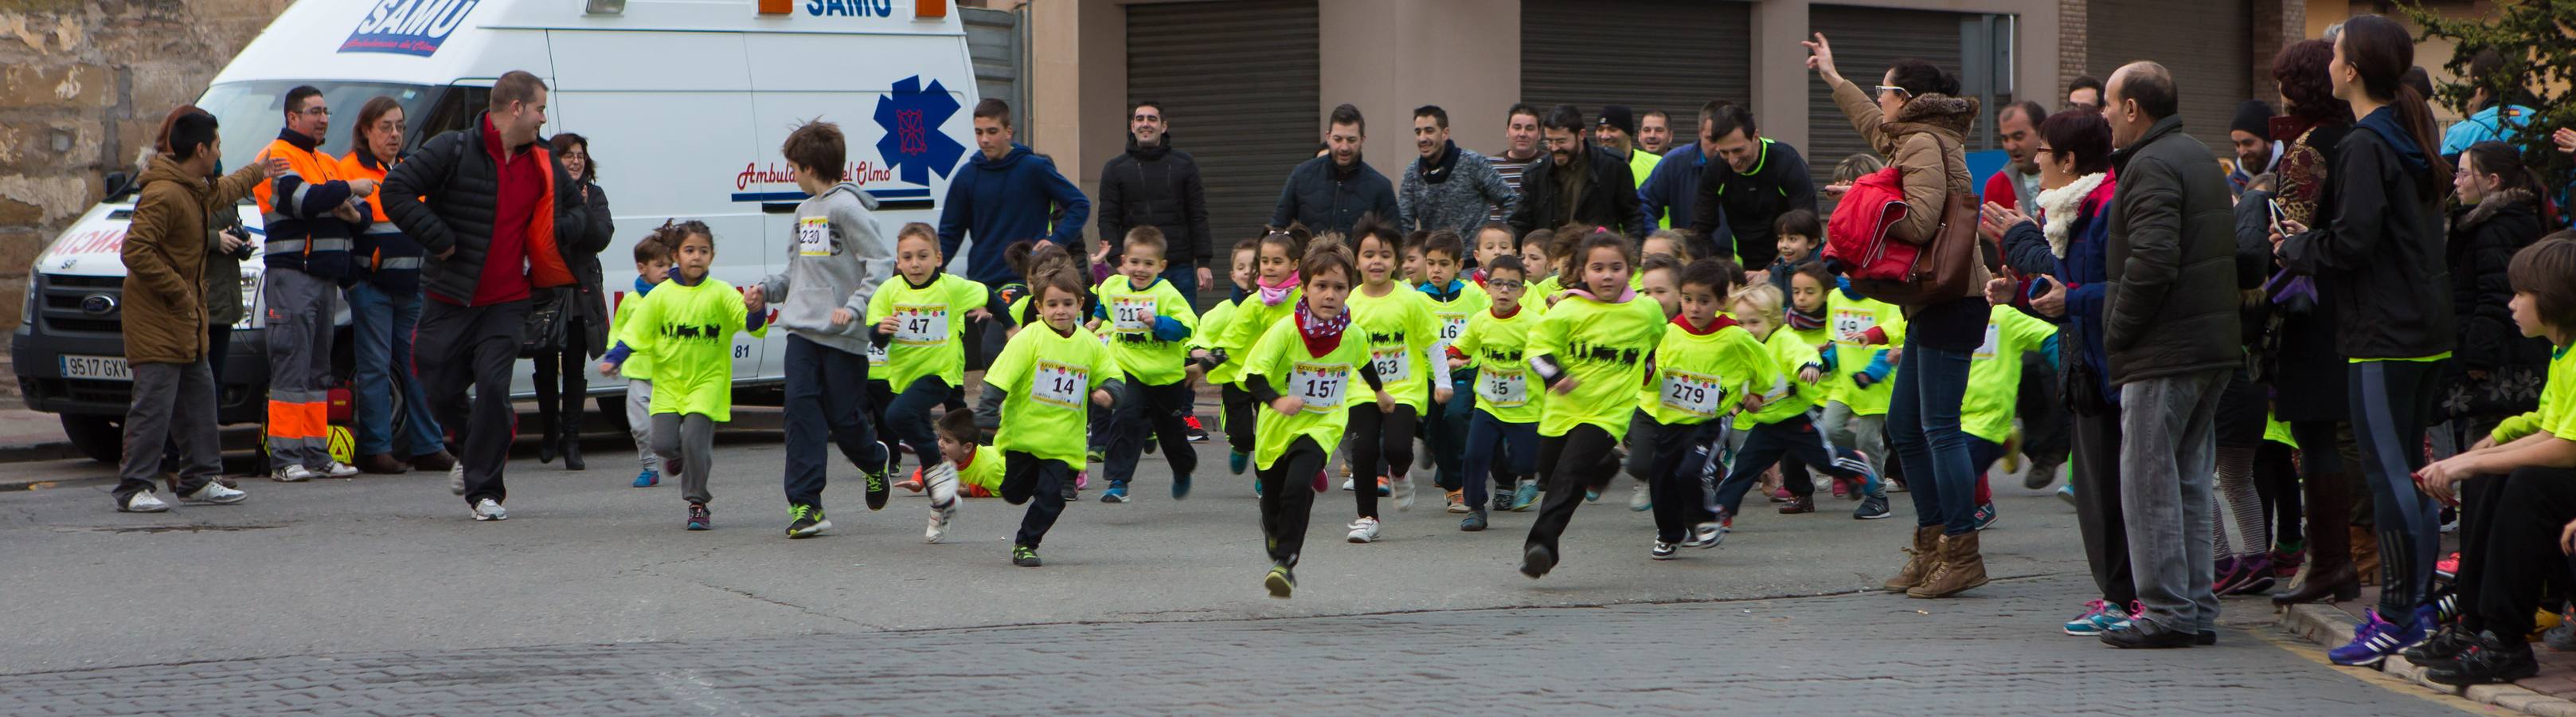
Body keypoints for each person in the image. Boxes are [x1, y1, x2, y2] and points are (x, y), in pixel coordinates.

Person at [2272, 14, 2460, 666]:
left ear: (2350, 70)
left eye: (2335, 54)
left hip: (2382, 333)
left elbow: (2352, 241)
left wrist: (2295, 245)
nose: (2327, 63)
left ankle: (2400, 615)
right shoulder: (2410, 129)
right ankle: (2415, 604)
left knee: (2390, 480)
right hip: (2424, 326)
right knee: (2410, 474)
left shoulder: (2363, 144)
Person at [1807, 33, 1993, 598]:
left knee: (1937, 431)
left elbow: (1916, 221)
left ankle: (1960, 552)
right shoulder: (1916, 135)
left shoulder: (1920, 145)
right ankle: (1930, 543)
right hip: (1933, 304)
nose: (1876, 98)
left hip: (1950, 300)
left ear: (1905, 97)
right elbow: (1872, 126)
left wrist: (1860, 200)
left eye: (1881, 90)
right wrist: (1833, 79)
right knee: (1906, 428)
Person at [381, 69, 594, 521]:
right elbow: (396, 189)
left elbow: (578, 210)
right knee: (436, 383)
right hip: (450, 295)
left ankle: (484, 491)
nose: (543, 117)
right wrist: (437, 238)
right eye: (539, 107)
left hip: (509, 301)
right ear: (516, 108)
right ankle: (471, 439)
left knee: (496, 388)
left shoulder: (542, 159)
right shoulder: (452, 148)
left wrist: (552, 232)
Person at [2088, 61, 2244, 648]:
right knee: (2185, 480)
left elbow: (2151, 262)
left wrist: (2117, 331)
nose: (2103, 115)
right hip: (2208, 346)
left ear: (2132, 108)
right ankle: (2193, 608)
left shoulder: (2150, 164)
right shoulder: (2197, 156)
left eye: (2108, 103)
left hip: (2165, 348)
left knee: (2148, 481)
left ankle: (2164, 611)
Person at [2413, 235, 2576, 686]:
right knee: (2492, 479)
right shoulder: (2563, 353)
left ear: (2555, 299)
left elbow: (2567, 448)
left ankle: (2506, 640)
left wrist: (2468, 464)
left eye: (2522, 294)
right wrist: (2485, 450)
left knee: (2526, 484)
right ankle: (2474, 623)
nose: (2511, 305)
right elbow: (2548, 425)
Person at [1990, 108, 2128, 634]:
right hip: (2086, 369)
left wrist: (2027, 244)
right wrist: (2017, 295)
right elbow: (2058, 292)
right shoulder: (2071, 207)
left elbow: (2103, 290)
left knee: (2113, 498)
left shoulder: (2103, 207)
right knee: (2096, 498)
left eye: (2043, 152)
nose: (2034, 161)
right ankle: (2115, 594)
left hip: (2108, 371)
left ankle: (2127, 598)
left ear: (2068, 160)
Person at [752, 120, 900, 535]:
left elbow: (881, 263)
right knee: (800, 413)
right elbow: (797, 272)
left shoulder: (846, 209)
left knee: (845, 418)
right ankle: (806, 505)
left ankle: (874, 460)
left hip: (842, 336)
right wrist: (767, 290)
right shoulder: (803, 211)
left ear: (809, 167)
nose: (791, 175)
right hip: (801, 331)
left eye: (793, 168)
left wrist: (853, 309)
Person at [113, 107, 263, 512]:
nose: (219, 153)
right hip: (159, 318)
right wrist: (179, 291)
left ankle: (199, 479)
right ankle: (134, 487)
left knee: (199, 398)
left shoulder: (194, 187)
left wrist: (260, 169)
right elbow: (134, 250)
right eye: (216, 146)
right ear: (200, 148)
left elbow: (225, 190)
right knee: (154, 405)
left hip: (186, 319)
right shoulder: (164, 194)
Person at [2261, 38, 2367, 609]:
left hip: (2312, 306)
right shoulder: (2354, 136)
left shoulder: (2307, 147)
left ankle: (2329, 561)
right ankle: (2336, 560)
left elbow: (2290, 234)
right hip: (2348, 302)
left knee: (2315, 435)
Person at [599, 221, 768, 531]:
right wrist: (615, 358)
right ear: (676, 255)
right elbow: (637, 330)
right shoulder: (660, 295)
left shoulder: (721, 293)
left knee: (694, 441)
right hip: (668, 384)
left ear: (712, 257)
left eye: (703, 251)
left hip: (707, 383)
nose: (696, 257)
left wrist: (756, 309)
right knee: (661, 443)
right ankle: (678, 457)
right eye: (689, 250)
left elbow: (752, 326)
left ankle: (697, 503)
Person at [1243, 245, 1390, 597]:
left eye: (1339, 288)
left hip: (1322, 425)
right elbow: (1252, 375)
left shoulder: (1352, 333)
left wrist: (1380, 392)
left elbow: (1364, 361)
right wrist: (1277, 400)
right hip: (1277, 427)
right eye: (1321, 285)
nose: (1330, 295)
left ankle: (1285, 562)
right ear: (1305, 288)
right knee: (1274, 496)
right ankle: (1276, 533)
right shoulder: (1285, 331)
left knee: (1299, 485)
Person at [1519, 231, 1665, 578]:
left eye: (1616, 268)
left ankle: (1541, 547)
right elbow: (1535, 350)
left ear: (1630, 272)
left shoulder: (1646, 310)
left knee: (1568, 477)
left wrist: (1647, 371)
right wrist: (1555, 376)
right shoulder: (1568, 310)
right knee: (1548, 473)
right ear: (1583, 272)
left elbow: (1655, 340)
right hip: (1562, 409)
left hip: (1608, 414)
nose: (1608, 275)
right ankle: (1605, 468)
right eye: (1598, 268)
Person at [255, 84, 371, 483]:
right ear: (292, 118)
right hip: (293, 277)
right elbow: (302, 200)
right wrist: (347, 193)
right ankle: (285, 458)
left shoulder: (326, 161)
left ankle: (316, 453)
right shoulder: (276, 157)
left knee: (318, 371)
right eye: (315, 111)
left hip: (323, 279)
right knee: (291, 368)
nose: (323, 119)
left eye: (326, 112)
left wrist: (344, 203)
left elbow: (364, 214)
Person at [977, 265, 1122, 568]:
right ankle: (1019, 487)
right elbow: (1001, 375)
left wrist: (1110, 392)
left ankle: (1026, 543)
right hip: (1024, 437)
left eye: (1068, 304)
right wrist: (988, 411)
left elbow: (1113, 375)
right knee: (1014, 493)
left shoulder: (1089, 343)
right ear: (1039, 307)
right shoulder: (1029, 338)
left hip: (1063, 441)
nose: (1060, 311)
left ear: (1080, 304)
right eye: (1052, 304)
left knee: (1053, 497)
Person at [338, 96, 446, 476]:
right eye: (386, 126)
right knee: (375, 369)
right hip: (373, 287)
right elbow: (348, 223)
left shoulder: (408, 170)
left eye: (399, 126)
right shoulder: (348, 171)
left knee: (420, 365)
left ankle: (428, 446)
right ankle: (376, 449)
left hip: (413, 286)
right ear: (365, 130)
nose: (395, 134)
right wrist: (356, 279)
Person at [1340, 216, 1448, 541]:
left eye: (1385, 255)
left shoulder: (1410, 299)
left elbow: (1432, 342)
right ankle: (1367, 518)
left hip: (1404, 389)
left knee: (1399, 448)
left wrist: (1443, 382)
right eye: (1369, 254)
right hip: (1361, 390)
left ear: (1397, 262)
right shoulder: (1349, 303)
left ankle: (1400, 473)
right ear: (1357, 261)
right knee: (1364, 451)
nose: (1377, 261)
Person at [2436, 142, 2552, 441]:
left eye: (2463, 174)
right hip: (2505, 355)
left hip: (2500, 360)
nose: (2456, 182)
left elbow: (2496, 294)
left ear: (2493, 181)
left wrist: (2478, 356)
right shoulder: (2508, 219)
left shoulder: (2496, 227)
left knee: (2488, 441)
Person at [871, 223, 995, 503]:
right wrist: (881, 330)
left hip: (945, 369)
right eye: (907, 258)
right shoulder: (890, 292)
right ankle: (937, 470)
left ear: (938, 259)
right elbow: (877, 338)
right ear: (898, 261)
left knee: (950, 414)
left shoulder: (950, 290)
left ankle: (958, 460)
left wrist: (1008, 324)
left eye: (923, 257)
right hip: (907, 371)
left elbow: (987, 294)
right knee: (907, 416)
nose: (915, 264)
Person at [1093, 226, 1202, 503]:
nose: (1140, 270)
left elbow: (1187, 327)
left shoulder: (1167, 294)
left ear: (1161, 266)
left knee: (1171, 433)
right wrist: (1094, 322)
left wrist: (1158, 323)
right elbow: (1104, 305)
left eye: (1149, 264)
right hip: (1128, 367)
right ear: (1124, 262)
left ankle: (1182, 468)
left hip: (1165, 377)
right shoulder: (1113, 286)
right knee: (1125, 417)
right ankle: (1119, 481)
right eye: (1135, 262)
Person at [938, 98, 1090, 288]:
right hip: (983, 282)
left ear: (1008, 132)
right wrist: (932, 270)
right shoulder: (966, 176)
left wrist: (1056, 241)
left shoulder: (1035, 168)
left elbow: (1080, 204)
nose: (984, 139)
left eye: (992, 132)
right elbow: (949, 234)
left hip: (1029, 279)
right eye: (979, 132)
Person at [530, 131, 614, 472]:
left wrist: (579, 211)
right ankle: (550, 430)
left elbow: (600, 237)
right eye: (568, 155)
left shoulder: (594, 195)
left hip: (580, 291)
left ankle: (572, 440)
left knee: (575, 368)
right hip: (547, 290)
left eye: (580, 155)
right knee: (545, 366)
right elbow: (542, 236)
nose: (576, 160)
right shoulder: (542, 193)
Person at [1448, 254, 1542, 528]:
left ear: (1523, 291)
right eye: (1498, 283)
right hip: (1488, 404)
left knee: (1524, 461)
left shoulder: (1534, 323)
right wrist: (1453, 357)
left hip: (1525, 408)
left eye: (1512, 285)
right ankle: (1476, 508)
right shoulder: (1480, 321)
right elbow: (1461, 346)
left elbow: (1550, 353)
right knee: (1475, 455)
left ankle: (1523, 475)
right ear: (1487, 286)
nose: (1504, 290)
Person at [1210, 229, 1307, 478]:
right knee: (1242, 434)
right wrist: (1203, 365)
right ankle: (1241, 447)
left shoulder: (1302, 300)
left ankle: (1265, 480)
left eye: (1277, 262)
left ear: (1293, 264)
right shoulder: (1253, 303)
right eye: (1265, 262)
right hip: (1243, 375)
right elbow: (1232, 339)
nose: (1270, 268)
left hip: (1276, 378)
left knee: (1270, 433)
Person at [1096, 100, 1213, 301]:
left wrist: (1204, 262)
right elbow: (1107, 219)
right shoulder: (1115, 168)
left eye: (1152, 119)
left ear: (1164, 126)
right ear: (1132, 127)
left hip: (1179, 267)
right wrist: (1118, 261)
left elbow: (1198, 215)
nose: (1145, 124)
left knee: (1183, 330)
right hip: (1135, 270)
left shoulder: (1184, 164)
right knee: (1135, 332)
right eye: (1139, 119)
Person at [1687, 100, 1818, 271]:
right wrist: (1720, 268)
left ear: (1755, 137)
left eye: (1738, 150)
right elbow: (1701, 229)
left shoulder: (1786, 162)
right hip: (1743, 262)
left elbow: (1808, 225)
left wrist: (1772, 271)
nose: (1733, 160)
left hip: (1789, 260)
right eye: (1724, 152)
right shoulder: (1716, 168)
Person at [1414, 229, 1488, 513]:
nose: (1435, 270)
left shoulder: (1473, 295)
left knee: (1457, 417)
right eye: (1431, 263)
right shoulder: (1418, 299)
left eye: (1443, 264)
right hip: (1431, 377)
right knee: (1434, 433)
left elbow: (1487, 324)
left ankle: (1459, 486)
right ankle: (1448, 477)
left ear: (1458, 266)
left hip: (1465, 373)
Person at [1509, 106, 1648, 239]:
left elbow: (1633, 217)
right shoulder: (1535, 173)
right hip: (1552, 257)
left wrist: (1632, 254)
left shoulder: (1612, 166)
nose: (1554, 148)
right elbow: (1520, 223)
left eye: (1561, 141)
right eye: (1549, 141)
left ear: (1581, 135)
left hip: (1597, 256)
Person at [1272, 104, 1401, 237]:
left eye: (1351, 140)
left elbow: (1395, 242)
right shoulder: (1301, 176)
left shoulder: (1381, 187)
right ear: (1327, 137)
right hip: (1308, 257)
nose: (1344, 147)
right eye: (1338, 139)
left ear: (1363, 140)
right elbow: (1277, 229)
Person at [607, 237, 674, 488]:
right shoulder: (631, 301)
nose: (666, 270)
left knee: (671, 426)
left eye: (669, 264)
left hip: (669, 373)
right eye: (659, 265)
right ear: (642, 268)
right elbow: (620, 331)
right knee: (639, 426)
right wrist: (614, 356)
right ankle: (649, 467)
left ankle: (675, 453)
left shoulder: (675, 297)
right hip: (639, 373)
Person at [1398, 105, 1518, 236]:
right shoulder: (1412, 173)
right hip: (1434, 255)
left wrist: (1500, 240)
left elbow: (1510, 200)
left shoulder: (1473, 162)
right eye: (1418, 132)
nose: (1422, 138)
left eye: (1429, 131)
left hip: (1474, 255)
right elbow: (1404, 223)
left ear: (1445, 134)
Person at [918, 409, 1007, 543]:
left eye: (947, 441)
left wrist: (972, 490)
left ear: (966, 448)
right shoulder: (947, 455)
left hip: (1010, 464)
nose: (940, 444)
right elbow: (928, 467)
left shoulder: (989, 469)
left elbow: (1005, 489)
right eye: (940, 437)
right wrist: (917, 482)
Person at [1637, 102, 1721, 245]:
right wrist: (1660, 243)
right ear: (1700, 133)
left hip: (1746, 263)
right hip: (1689, 260)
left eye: (1726, 138)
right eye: (1712, 139)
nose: (1719, 147)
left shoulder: (1749, 162)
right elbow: (1644, 202)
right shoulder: (1676, 162)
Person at [2438, 49, 2538, 163]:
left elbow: (2446, 177)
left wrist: (2475, 119)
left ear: (2478, 84)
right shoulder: (2541, 122)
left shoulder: (2461, 131)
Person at [1982, 100, 2049, 215]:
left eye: (2018, 137)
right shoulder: (1996, 185)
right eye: (2005, 139)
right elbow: (1991, 231)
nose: (2011, 146)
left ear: (2041, 132)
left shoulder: (2065, 178)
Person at [1595, 105, 1663, 210]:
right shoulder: (1590, 166)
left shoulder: (1657, 165)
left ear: (1628, 133)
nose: (1605, 136)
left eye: (1612, 129)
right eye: (1600, 129)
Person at [1487, 104, 1546, 223]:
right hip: (1500, 239)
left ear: (1539, 133)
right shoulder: (1489, 167)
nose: (1523, 134)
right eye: (1517, 127)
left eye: (1529, 128)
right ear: (1507, 131)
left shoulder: (1550, 164)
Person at [2227, 100, 2282, 197]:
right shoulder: (2230, 186)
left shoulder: (2289, 179)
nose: (2241, 152)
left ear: (2268, 141)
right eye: (2237, 145)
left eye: (2248, 143)